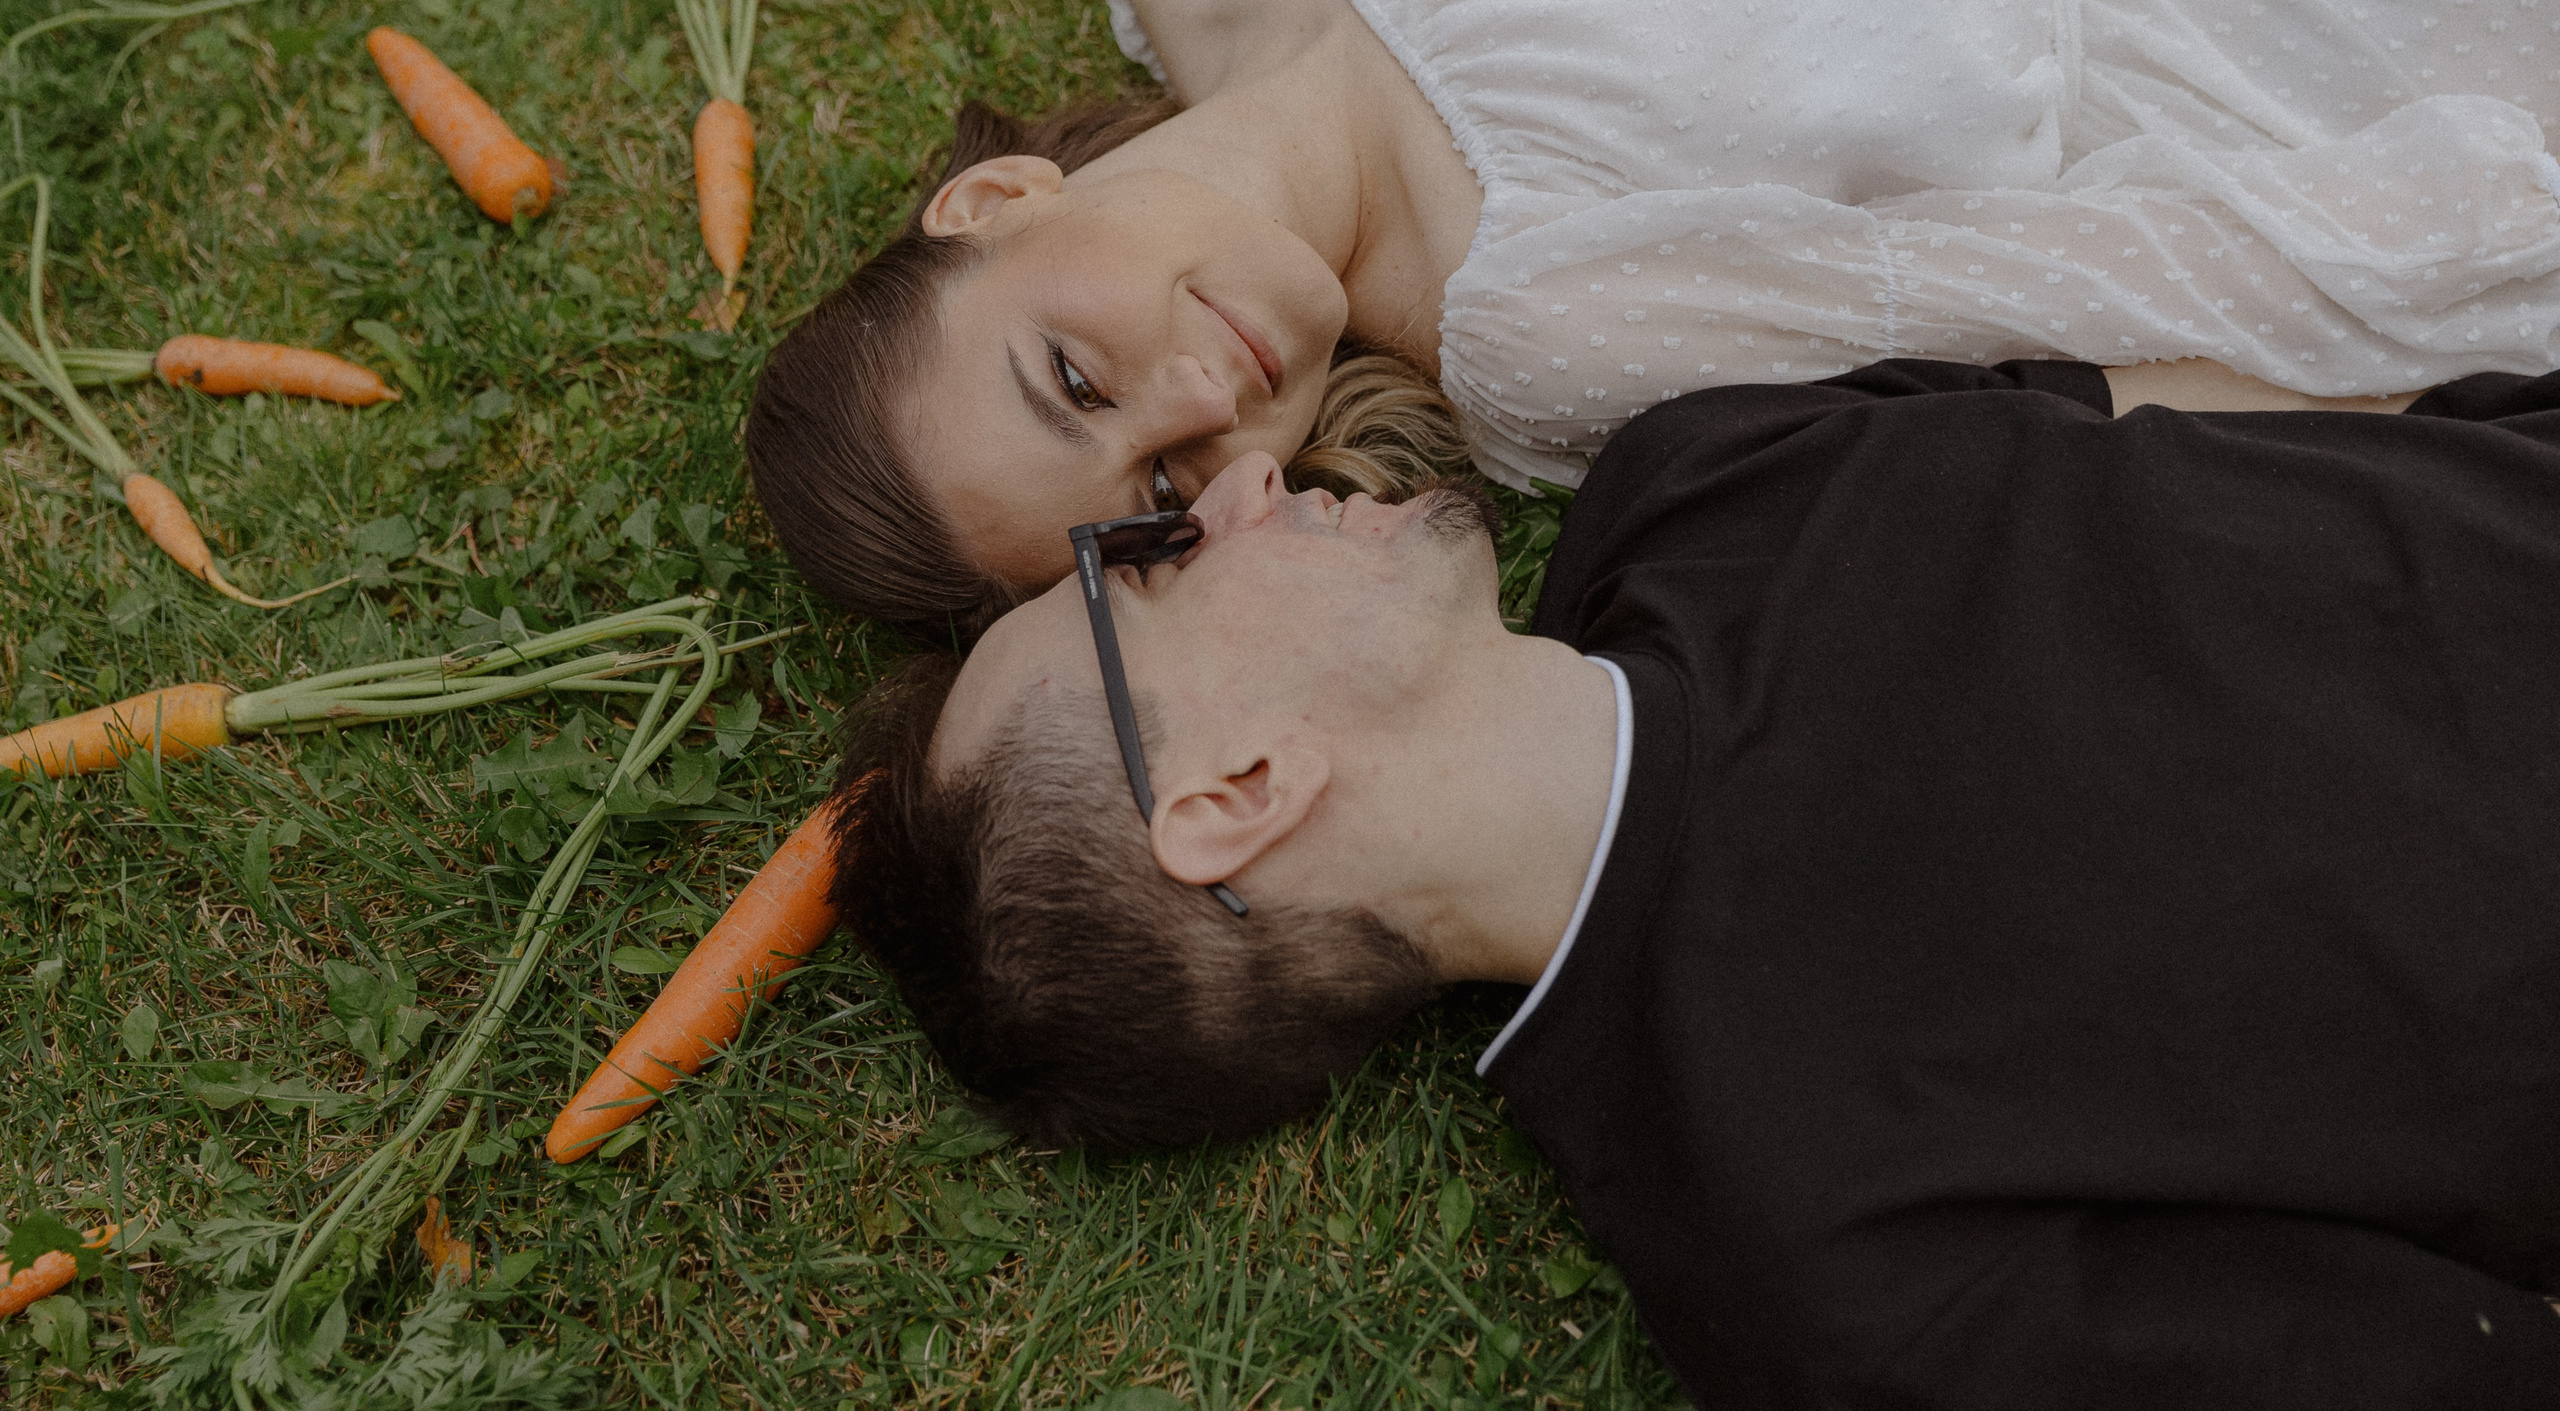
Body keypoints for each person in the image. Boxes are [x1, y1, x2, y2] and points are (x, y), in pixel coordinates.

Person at [824, 361, 2560, 1406]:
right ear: (1237, 796)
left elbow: (2268, 407)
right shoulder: (1825, 1263)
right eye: (1145, 562)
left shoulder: (1694, 475)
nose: (1242, 480)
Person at [748, 0, 2560, 629]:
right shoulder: (1546, 321)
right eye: (1166, 484)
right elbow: (2079, 289)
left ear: (995, 207)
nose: (1199, 408)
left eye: (1075, 378)